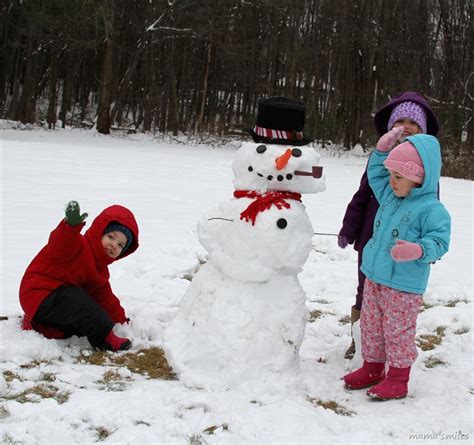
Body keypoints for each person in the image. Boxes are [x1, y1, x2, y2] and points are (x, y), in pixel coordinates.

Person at [341, 127, 451, 400]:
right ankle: (372, 367)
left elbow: (440, 242)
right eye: (392, 174)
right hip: (375, 277)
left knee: (397, 332)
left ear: (419, 177)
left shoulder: (432, 209)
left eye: (399, 176)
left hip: (404, 286)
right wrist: (380, 152)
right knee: (372, 326)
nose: (391, 181)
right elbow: (376, 176)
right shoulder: (390, 196)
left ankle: (399, 379)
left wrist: (418, 250)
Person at [338, 92, 440, 359]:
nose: (405, 126)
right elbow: (361, 198)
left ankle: (392, 345)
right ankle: (359, 340)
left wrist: (425, 249)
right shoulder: (379, 164)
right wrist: (349, 229)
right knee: (365, 291)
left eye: (413, 123)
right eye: (400, 121)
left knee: (395, 298)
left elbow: (433, 211)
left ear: (423, 130)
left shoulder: (426, 172)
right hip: (371, 241)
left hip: (403, 247)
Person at [20, 201, 139, 351]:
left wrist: (121, 321)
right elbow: (60, 243)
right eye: (111, 237)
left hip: (49, 307)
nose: (114, 244)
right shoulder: (78, 244)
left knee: (83, 318)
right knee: (81, 304)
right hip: (39, 291)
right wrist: (70, 227)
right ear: (99, 232)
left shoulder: (100, 271)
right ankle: (105, 340)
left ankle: (38, 325)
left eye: (121, 245)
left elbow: (105, 299)